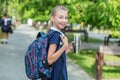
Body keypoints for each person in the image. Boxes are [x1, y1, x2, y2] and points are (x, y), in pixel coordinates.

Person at [43, 5, 74, 80]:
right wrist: (64, 46)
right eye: (60, 17)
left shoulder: (54, 33)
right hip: (55, 76)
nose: (64, 20)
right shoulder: (55, 35)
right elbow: (50, 60)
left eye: (66, 18)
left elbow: (58, 56)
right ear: (52, 18)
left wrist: (68, 48)